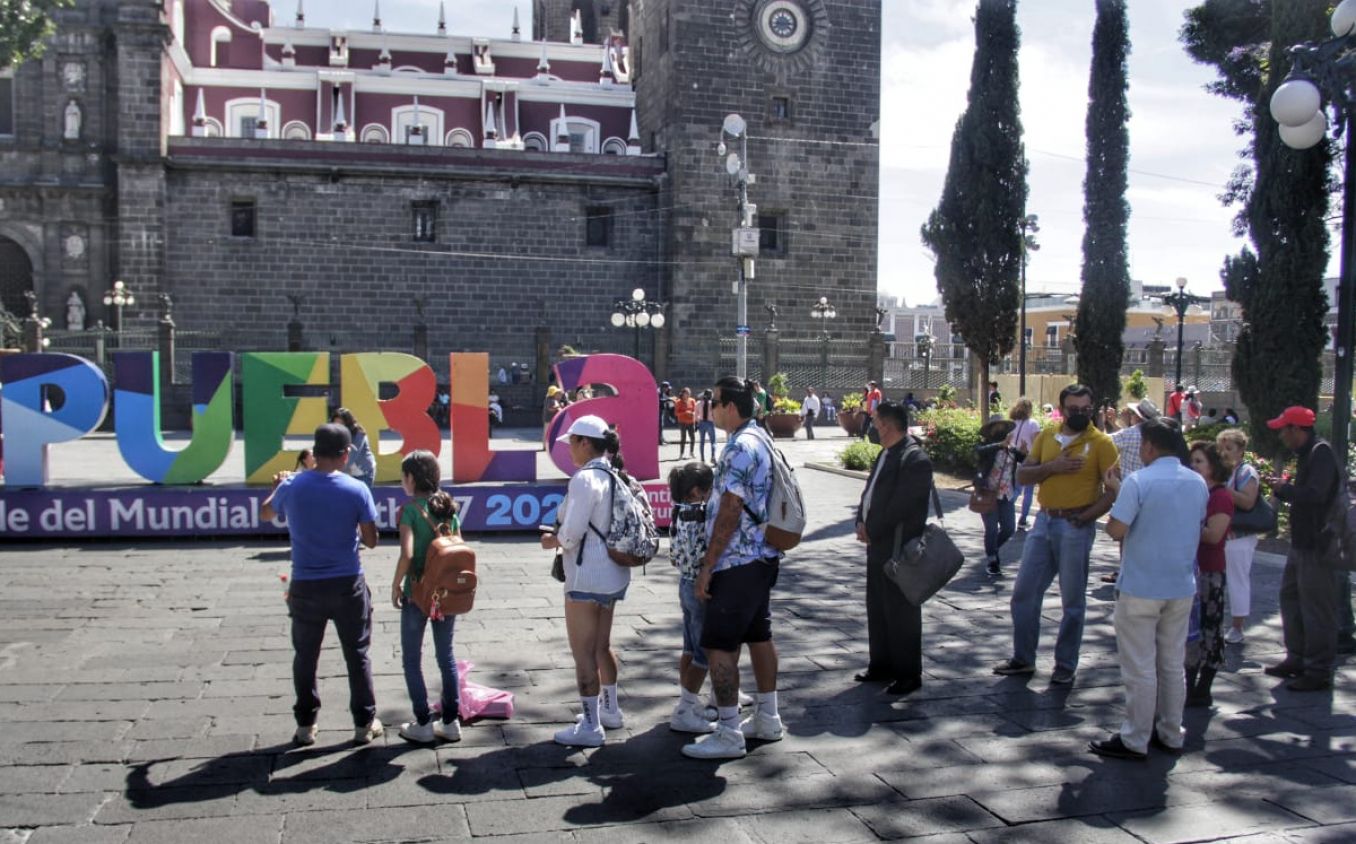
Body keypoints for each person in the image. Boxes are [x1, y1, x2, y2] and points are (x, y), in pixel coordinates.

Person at [1089, 417, 1206, 760]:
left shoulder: (1139, 481)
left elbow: (1116, 530)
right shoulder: (1196, 482)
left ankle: (1135, 736)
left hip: (1141, 584)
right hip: (1180, 583)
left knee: (1139, 665)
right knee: (1171, 662)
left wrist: (1114, 491)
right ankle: (1171, 731)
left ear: (1150, 446)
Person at [259, 423, 382, 747]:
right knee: (357, 654)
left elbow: (266, 512)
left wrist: (276, 487)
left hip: (306, 584)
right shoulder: (357, 490)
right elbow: (371, 540)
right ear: (344, 455)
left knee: (305, 656)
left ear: (314, 452)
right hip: (346, 583)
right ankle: (363, 723)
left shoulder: (293, 485)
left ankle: (306, 725)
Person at [683, 376, 785, 760]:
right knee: (760, 635)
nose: (711, 407)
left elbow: (729, 508)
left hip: (736, 561)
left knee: (719, 646)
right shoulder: (761, 437)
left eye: (715, 401)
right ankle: (768, 716)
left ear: (729, 406)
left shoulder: (738, 448)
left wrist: (709, 565)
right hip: (762, 556)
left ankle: (727, 731)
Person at [994, 384, 1118, 685]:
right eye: (1074, 409)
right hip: (1044, 521)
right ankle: (1023, 658)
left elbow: (1114, 490)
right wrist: (1054, 466)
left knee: (1072, 600)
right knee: (1024, 593)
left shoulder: (1102, 443)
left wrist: (1087, 517)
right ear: (1063, 409)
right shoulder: (1047, 436)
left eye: (1085, 410)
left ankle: (1065, 663)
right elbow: (1023, 475)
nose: (1080, 414)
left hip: (1075, 525)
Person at [540, 416, 634, 746]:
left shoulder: (584, 479)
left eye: (571, 443)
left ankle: (591, 725)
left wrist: (554, 540)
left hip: (585, 575)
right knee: (601, 647)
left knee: (582, 652)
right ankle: (610, 710)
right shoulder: (615, 473)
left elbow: (572, 533)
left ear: (584, 443)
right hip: (612, 573)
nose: (568, 450)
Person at [1262, 405, 1345, 692]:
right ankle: (1297, 658)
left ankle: (1318, 670)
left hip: (1317, 545)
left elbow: (1315, 495)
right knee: (1292, 599)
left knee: (1316, 608)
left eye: (1284, 429)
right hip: (1303, 543)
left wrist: (1284, 490)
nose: (1282, 435)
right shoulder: (1310, 453)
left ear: (1297, 429)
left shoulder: (1320, 453)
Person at [854, 401, 932, 694]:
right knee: (877, 606)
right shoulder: (886, 454)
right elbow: (870, 493)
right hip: (877, 545)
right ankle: (881, 664)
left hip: (899, 547)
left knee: (901, 610)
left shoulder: (914, 459)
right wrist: (860, 521)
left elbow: (902, 506)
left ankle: (908, 673)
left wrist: (872, 528)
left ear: (887, 425)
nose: (872, 426)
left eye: (875, 421)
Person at [390, 450, 464, 744]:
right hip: (445, 593)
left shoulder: (410, 511)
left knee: (411, 659)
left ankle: (422, 721)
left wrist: (396, 584)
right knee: (445, 656)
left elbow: (407, 554)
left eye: (403, 476)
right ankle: (450, 721)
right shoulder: (448, 508)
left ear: (411, 478)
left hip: (418, 594)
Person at [667, 461, 718, 734]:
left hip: (683, 584)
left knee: (689, 647)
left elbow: (674, 556)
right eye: (710, 489)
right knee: (704, 653)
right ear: (697, 491)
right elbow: (705, 552)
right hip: (700, 587)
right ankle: (685, 709)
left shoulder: (678, 512)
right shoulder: (702, 514)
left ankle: (689, 701)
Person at [1185, 442, 1234, 708]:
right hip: (1192, 568)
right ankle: (1189, 683)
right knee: (1192, 629)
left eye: (1199, 461)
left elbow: (1214, 535)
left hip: (1210, 571)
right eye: (1191, 461)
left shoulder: (1220, 496)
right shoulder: (1196, 492)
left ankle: (1203, 687)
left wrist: (1186, 525)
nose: (1193, 466)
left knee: (1210, 629)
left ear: (1213, 465)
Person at [1102, 399, 1161, 584]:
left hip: (1127, 488)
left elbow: (1105, 442)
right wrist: (1114, 424)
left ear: (1137, 417)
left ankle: (1125, 570)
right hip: (1151, 489)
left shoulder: (1130, 434)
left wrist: (1102, 421)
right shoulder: (1156, 437)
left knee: (1124, 532)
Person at [1216, 428, 1261, 644]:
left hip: (1239, 536)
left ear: (1241, 450)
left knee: (1237, 580)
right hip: (1220, 534)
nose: (1224, 453)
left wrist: (1223, 490)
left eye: (1229, 448)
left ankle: (1237, 626)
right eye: (1221, 448)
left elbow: (1248, 501)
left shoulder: (1246, 472)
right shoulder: (1221, 471)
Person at [975, 413, 1022, 578]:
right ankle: (992, 560)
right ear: (991, 429)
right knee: (992, 528)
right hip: (988, 493)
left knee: (1009, 528)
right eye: (997, 426)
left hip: (1006, 494)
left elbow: (1026, 458)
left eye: (1003, 426)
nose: (1001, 429)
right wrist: (998, 445)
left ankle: (992, 550)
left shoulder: (1011, 448)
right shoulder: (986, 446)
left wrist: (1026, 452)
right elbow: (979, 451)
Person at [1009, 399, 1040, 531]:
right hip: (1028, 460)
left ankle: (1006, 509)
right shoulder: (1033, 424)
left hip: (1012, 459)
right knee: (1028, 491)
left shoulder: (1012, 424)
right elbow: (1038, 444)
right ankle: (1023, 518)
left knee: (1016, 489)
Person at [331, 407, 376, 488]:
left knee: (362, 497)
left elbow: (350, 457)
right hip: (347, 472)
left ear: (348, 424)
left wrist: (332, 472)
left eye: (341, 425)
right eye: (335, 425)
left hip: (364, 472)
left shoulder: (359, 434)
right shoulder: (333, 434)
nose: (338, 428)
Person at [674, 387, 697, 460]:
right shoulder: (678, 402)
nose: (687, 395)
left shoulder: (692, 401)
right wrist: (685, 413)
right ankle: (681, 453)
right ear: (682, 394)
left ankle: (691, 452)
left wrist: (693, 413)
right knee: (683, 438)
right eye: (686, 393)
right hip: (682, 422)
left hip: (691, 422)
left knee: (692, 438)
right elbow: (676, 413)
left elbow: (695, 410)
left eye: (688, 393)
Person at [696, 388, 718, 464]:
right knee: (713, 442)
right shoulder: (712, 404)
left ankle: (702, 459)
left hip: (701, 423)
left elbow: (696, 415)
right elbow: (715, 415)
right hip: (710, 423)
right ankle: (713, 457)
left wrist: (697, 423)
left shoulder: (698, 403)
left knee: (702, 442)